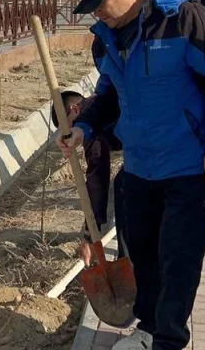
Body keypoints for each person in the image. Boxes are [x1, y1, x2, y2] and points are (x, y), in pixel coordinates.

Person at [60, 0, 205, 350]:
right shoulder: (109, 37)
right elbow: (109, 93)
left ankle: (168, 340)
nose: (96, 14)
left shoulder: (183, 19)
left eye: (99, 4)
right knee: (142, 255)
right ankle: (148, 327)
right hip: (140, 166)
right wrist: (83, 128)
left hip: (191, 166)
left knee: (178, 259)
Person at [51, 70, 126, 264]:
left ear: (76, 108)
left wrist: (89, 234)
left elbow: (97, 177)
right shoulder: (98, 104)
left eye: (70, 125)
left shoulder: (91, 123)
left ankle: (127, 261)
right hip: (148, 143)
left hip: (162, 146)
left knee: (125, 190)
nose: (72, 134)